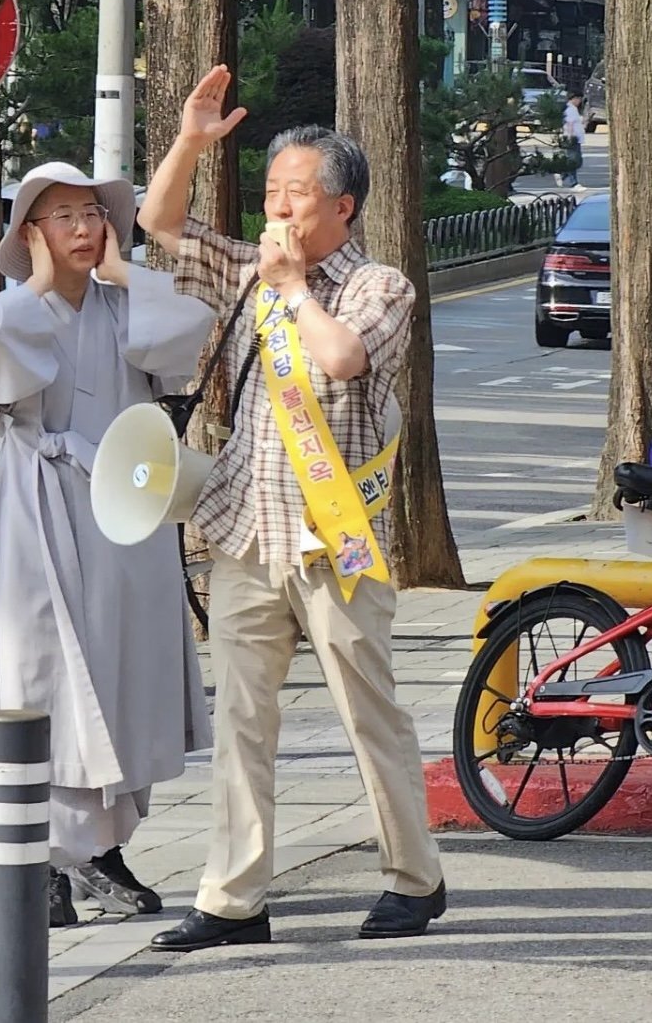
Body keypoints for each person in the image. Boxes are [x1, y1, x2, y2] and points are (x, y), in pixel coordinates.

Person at [138, 66, 446, 952]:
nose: (278, 211)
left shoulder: (377, 287)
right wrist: (193, 142)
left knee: (367, 712)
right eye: (272, 194)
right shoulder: (245, 270)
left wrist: (294, 291)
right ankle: (235, 899)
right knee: (242, 719)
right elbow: (160, 225)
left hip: (336, 542)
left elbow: (346, 360)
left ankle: (413, 878)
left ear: (342, 207)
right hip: (244, 531)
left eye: (297, 196)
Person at [0, 161, 215, 928]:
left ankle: (99, 850)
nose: (81, 228)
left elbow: (190, 329)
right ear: (30, 233)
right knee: (50, 676)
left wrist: (123, 271)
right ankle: (48, 857)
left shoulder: (120, 306)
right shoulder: (15, 309)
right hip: (40, 513)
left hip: (124, 511)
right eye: (60, 217)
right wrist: (37, 284)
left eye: (91, 214)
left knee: (122, 668)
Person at [559, 91, 587, 191]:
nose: (579, 102)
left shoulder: (573, 109)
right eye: (579, 99)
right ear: (574, 98)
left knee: (577, 160)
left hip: (576, 138)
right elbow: (570, 124)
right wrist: (570, 137)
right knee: (573, 161)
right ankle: (573, 183)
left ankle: (562, 175)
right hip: (572, 138)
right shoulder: (570, 109)